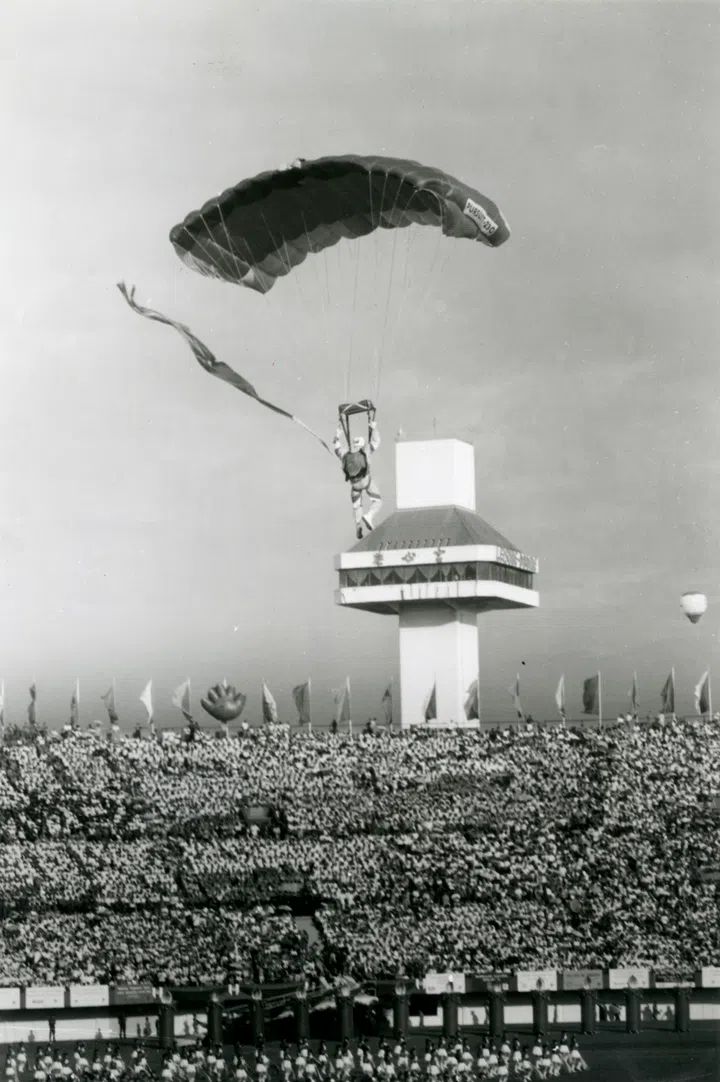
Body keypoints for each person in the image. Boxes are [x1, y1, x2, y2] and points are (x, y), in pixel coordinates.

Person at [333, 416, 382, 539]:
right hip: (366, 481)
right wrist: (374, 429)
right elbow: (376, 442)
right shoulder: (365, 451)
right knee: (378, 501)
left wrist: (337, 434)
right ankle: (369, 516)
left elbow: (337, 447)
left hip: (354, 485)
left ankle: (358, 526)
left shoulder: (345, 455)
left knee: (357, 506)